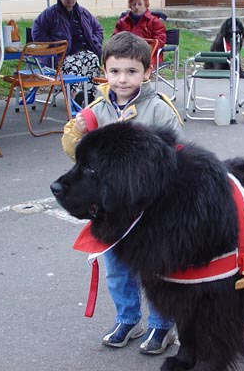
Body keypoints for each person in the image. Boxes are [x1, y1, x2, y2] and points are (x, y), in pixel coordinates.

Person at [62, 31, 183, 354]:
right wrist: (76, 133)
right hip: (112, 208)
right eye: (115, 71)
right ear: (105, 71)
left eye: (132, 71)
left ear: (147, 72)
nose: (122, 79)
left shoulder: (159, 110)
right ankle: (128, 318)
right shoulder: (98, 110)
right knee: (117, 267)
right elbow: (78, 155)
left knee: (156, 269)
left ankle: (162, 326)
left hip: (151, 209)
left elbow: (176, 155)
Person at [32, 0, 104, 104]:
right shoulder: (51, 13)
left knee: (93, 59)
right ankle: (74, 96)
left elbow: (98, 29)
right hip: (62, 55)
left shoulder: (82, 12)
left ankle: (90, 95)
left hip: (84, 51)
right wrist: (51, 46)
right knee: (73, 63)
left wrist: (95, 40)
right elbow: (37, 29)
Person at [113, 0, 166, 66]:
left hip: (149, 54)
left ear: (146, 5)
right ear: (130, 6)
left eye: (140, 4)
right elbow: (115, 39)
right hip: (125, 53)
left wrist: (142, 52)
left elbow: (159, 40)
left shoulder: (155, 22)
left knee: (136, 65)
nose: (136, 7)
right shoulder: (122, 22)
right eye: (134, 4)